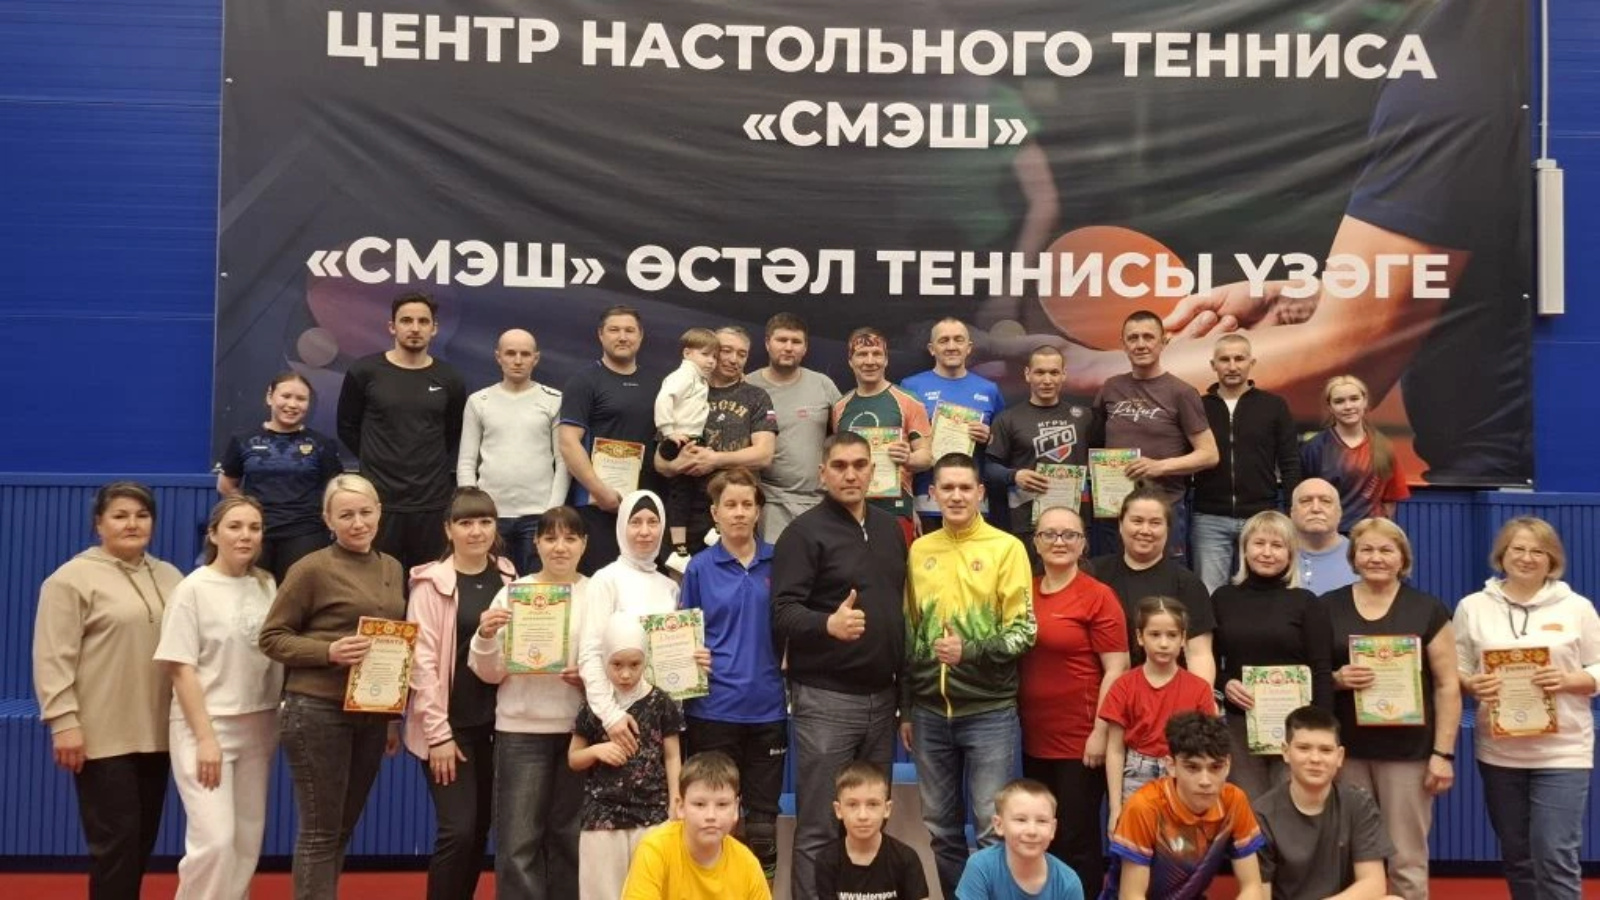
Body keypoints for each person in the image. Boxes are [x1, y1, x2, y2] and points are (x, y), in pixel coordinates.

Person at [771, 431, 909, 900]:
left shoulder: (891, 529)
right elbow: (782, 611)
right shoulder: (802, 533)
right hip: (826, 700)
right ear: (822, 473)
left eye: (859, 465)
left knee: (869, 825)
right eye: (840, 466)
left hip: (883, 700)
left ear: (873, 470)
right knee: (819, 827)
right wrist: (826, 623)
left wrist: (904, 699)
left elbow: (899, 616)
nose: (851, 474)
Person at [33, 481, 184, 900]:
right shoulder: (70, 579)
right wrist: (63, 722)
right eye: (120, 516)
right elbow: (52, 655)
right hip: (102, 735)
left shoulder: (171, 576)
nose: (132, 524)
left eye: (142, 515)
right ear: (99, 523)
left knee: (141, 841)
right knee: (115, 844)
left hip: (159, 731)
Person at [257, 473, 406, 898]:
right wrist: (328, 651)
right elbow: (271, 637)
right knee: (320, 833)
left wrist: (390, 716)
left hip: (370, 713)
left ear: (379, 512)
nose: (358, 523)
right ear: (327, 520)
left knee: (341, 829)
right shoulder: (310, 568)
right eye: (346, 515)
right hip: (316, 710)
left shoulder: (392, 567)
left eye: (365, 512)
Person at [901, 452, 1036, 898]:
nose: (956, 496)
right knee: (941, 830)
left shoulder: (1006, 548)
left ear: (980, 493)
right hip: (928, 713)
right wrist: (907, 707)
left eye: (965, 488)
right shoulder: (920, 550)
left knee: (991, 829)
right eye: (948, 488)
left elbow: (1024, 632)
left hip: (989, 711)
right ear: (933, 494)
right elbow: (911, 633)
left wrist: (970, 651)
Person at [1454, 517, 1600, 900]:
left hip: (1563, 751)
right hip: (1500, 752)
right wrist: (1471, 684)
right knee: (1518, 857)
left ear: (1553, 560)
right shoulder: (1472, 607)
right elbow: (1458, 667)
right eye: (1518, 549)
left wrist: (1569, 680)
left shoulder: (1577, 608)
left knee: (1555, 854)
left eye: (1538, 551)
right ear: (1502, 555)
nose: (1527, 557)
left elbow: (1599, 666)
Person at [153, 496, 284, 900]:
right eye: (235, 527)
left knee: (246, 840)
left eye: (254, 528)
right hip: (207, 727)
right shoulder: (192, 589)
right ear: (213, 534)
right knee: (215, 841)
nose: (245, 535)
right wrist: (206, 738)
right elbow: (180, 667)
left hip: (259, 724)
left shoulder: (266, 584)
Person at [1323, 518, 1459, 900]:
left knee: (1406, 856)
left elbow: (1448, 685)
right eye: (1366, 549)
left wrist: (1443, 754)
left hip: (1408, 753)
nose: (1376, 558)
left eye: (1386, 550)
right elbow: (1314, 675)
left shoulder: (1428, 609)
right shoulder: (1327, 606)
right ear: (1353, 557)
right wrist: (1337, 679)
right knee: (1347, 852)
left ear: (1403, 558)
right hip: (1346, 752)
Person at [403, 487, 517, 900]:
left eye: (485, 522)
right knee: (458, 830)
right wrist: (438, 735)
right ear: (448, 530)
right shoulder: (429, 585)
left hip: (497, 727)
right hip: (449, 730)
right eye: (465, 523)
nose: (476, 531)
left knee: (480, 830)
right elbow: (422, 664)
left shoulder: (509, 578)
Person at [469, 506, 589, 900]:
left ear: (584, 544)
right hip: (520, 731)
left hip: (578, 732)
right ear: (535, 543)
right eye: (550, 538)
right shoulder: (513, 594)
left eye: (570, 538)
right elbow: (489, 673)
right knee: (518, 842)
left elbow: (616, 665)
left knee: (570, 839)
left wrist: (588, 678)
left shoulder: (598, 593)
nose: (560, 547)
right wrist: (486, 637)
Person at [679, 468, 786, 880]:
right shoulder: (698, 569)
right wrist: (688, 655)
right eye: (730, 505)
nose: (739, 512)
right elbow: (681, 637)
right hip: (712, 711)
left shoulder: (780, 561)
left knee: (762, 830)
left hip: (767, 710)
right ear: (715, 513)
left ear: (758, 511)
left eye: (747, 504)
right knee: (713, 826)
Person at [1016, 505, 1127, 891]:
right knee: (1043, 838)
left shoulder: (1098, 596)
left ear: (1083, 544)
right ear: (1036, 542)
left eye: (1069, 535)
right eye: (1049, 534)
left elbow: (1117, 667)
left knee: (1077, 840)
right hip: (1033, 738)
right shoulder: (1024, 592)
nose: (1059, 542)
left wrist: (1101, 730)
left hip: (1081, 740)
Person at [336, 292, 467, 574]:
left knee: (429, 585)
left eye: (423, 321)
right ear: (392, 327)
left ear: (434, 328)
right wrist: (380, 458)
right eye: (406, 321)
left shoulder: (450, 378)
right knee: (380, 585)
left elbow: (452, 432)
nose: (415, 328)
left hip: (431, 503)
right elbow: (347, 427)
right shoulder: (364, 371)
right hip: (379, 502)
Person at [1210, 511, 1333, 798]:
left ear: (1290, 554)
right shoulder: (1223, 598)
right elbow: (1208, 663)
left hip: (1297, 726)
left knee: (1295, 807)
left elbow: (1321, 670)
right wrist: (1225, 684)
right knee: (1248, 809)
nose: (1267, 553)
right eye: (1259, 543)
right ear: (1244, 549)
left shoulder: (1306, 603)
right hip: (1240, 725)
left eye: (1277, 545)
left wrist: (1321, 730)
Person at [570, 613, 685, 900]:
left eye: (634, 665)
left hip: (652, 811)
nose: (625, 674)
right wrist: (596, 750)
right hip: (602, 815)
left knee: (651, 890)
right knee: (602, 891)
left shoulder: (661, 702)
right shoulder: (596, 706)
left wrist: (676, 797)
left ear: (646, 661)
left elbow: (672, 755)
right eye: (617, 665)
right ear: (604, 661)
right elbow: (574, 758)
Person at [1088, 310, 1219, 561]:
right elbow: (1096, 443)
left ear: (1163, 341)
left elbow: (1209, 454)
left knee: (1163, 582)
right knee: (1112, 579)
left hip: (1162, 512)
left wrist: (1159, 466)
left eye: (1148, 337)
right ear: (1123, 344)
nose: (1141, 344)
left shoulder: (1182, 392)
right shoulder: (1110, 388)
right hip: (1115, 510)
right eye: (1133, 338)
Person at [1104, 711, 1268, 900]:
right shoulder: (1143, 807)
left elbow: (1252, 887)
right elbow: (1132, 895)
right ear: (1171, 765)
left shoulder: (1234, 800)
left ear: (1228, 765)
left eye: (1215, 767)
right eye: (1192, 767)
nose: (1205, 781)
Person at [656, 326, 776, 569]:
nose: (733, 359)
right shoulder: (686, 387)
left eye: (742, 354)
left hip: (735, 511)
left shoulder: (756, 396)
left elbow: (764, 455)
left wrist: (714, 460)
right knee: (683, 582)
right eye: (726, 351)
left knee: (733, 580)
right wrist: (677, 464)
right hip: (686, 511)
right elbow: (659, 462)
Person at [1252, 706, 1400, 900]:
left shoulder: (1358, 804)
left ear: (1339, 757)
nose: (1315, 759)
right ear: (1286, 752)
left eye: (1326, 750)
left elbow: (1373, 883)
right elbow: (1260, 895)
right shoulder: (1262, 814)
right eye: (1304, 748)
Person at [576, 490, 684, 757]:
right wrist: (610, 715)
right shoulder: (606, 580)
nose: (645, 531)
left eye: (653, 522)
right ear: (622, 526)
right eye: (635, 522)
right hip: (617, 720)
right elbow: (590, 653)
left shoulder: (670, 586)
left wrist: (695, 659)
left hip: (661, 719)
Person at [1190, 335, 1301, 592]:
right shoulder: (1198, 407)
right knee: (1209, 593)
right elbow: (1186, 456)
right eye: (1224, 359)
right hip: (1209, 517)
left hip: (1261, 515)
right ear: (1213, 365)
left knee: (1264, 591)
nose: (1232, 366)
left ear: (1251, 363)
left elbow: (1290, 461)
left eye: (1239, 359)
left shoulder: (1273, 406)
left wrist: (1291, 510)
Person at [456, 327, 570, 577]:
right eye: (510, 353)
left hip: (538, 514)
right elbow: (466, 462)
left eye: (525, 354)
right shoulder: (479, 401)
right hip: (490, 517)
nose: (518, 360)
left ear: (536, 358)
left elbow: (563, 461)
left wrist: (553, 510)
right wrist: (474, 510)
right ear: (498, 357)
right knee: (493, 587)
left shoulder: (554, 400)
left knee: (537, 589)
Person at [559, 305, 660, 575]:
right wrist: (600, 491)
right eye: (614, 330)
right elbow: (568, 442)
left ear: (640, 336)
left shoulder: (658, 384)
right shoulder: (584, 381)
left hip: (646, 508)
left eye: (630, 330)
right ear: (600, 335)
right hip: (599, 506)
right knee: (600, 582)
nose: (622, 337)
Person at [217, 371, 343, 583]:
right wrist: (248, 513)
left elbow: (336, 489)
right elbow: (226, 485)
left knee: (298, 595)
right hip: (256, 533)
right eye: (286, 396)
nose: (292, 404)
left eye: (301, 399)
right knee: (253, 593)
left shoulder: (323, 444)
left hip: (306, 533)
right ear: (270, 397)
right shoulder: (242, 440)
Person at [1102, 596, 1218, 824]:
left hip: (1185, 771)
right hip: (1136, 772)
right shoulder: (1124, 686)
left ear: (1183, 639)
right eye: (1155, 634)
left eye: (1172, 635)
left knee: (1182, 839)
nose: (1164, 643)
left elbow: (1208, 748)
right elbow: (1114, 750)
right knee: (1136, 837)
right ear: (1140, 637)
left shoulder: (1199, 689)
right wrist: (1115, 808)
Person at [1086, 487, 1216, 684]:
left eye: (1155, 523)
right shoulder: (1094, 574)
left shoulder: (1188, 584)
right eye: (1137, 521)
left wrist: (1200, 699)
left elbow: (1199, 655)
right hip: (1098, 689)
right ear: (1120, 525)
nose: (1145, 530)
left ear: (1168, 529)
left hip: (1167, 693)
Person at [985, 345, 1092, 569]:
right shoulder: (1008, 419)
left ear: (1063, 375)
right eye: (1040, 372)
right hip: (1028, 524)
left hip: (1074, 523)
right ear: (1027, 374)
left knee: (1075, 585)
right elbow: (988, 469)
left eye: (1054, 372)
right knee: (1030, 584)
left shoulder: (1084, 417)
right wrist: (1014, 476)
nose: (1047, 380)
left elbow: (1102, 459)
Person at [620, 751, 771, 899]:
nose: (711, 816)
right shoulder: (655, 850)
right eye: (699, 804)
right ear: (680, 807)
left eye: (722, 804)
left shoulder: (747, 864)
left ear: (736, 808)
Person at [832, 327, 932, 544]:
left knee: (893, 567)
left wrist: (908, 458)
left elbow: (927, 457)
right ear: (850, 361)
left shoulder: (909, 401)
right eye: (862, 354)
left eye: (877, 354)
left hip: (894, 510)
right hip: (849, 511)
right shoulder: (839, 406)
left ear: (886, 360)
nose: (870, 361)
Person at [746, 312, 841, 541]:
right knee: (775, 563)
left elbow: (847, 438)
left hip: (818, 502)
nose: (789, 347)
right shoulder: (747, 385)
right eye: (782, 340)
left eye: (796, 342)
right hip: (769, 503)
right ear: (767, 343)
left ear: (805, 348)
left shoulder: (823, 384)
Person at [902, 318, 1004, 529]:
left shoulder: (989, 390)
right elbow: (901, 446)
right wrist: (906, 503)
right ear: (932, 349)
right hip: (925, 500)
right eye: (944, 340)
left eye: (958, 340)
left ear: (969, 347)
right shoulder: (911, 387)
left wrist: (988, 437)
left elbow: (1003, 445)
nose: (951, 346)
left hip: (972, 501)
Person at [1300, 375, 1411, 533]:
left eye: (1354, 399)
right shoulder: (1313, 449)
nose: (1348, 406)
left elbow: (1390, 499)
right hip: (1328, 536)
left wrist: (1377, 533)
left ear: (1364, 401)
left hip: (1369, 536)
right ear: (1330, 407)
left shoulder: (1383, 446)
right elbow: (1302, 499)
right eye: (1339, 401)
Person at [815, 761, 930, 900]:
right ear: (838, 810)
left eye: (872, 804)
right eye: (852, 805)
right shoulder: (826, 861)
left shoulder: (906, 859)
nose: (862, 816)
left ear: (887, 809)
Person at [955, 779, 1085, 900]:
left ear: (1053, 829)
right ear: (999, 825)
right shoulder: (981, 867)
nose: (1032, 831)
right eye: (1021, 820)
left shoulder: (1068, 882)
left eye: (1042, 821)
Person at [655, 326, 720, 563]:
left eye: (715, 356)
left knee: (702, 487)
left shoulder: (699, 378)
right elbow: (664, 399)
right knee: (681, 494)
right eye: (705, 354)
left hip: (693, 438)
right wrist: (668, 431)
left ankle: (713, 530)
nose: (711, 361)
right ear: (687, 353)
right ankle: (679, 547)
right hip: (679, 439)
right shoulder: (682, 376)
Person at [1290, 478, 1358, 595]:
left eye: (1326, 501)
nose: (1316, 509)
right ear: (1292, 513)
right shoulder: (1272, 558)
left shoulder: (1360, 557)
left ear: (1339, 512)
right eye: (1306, 501)